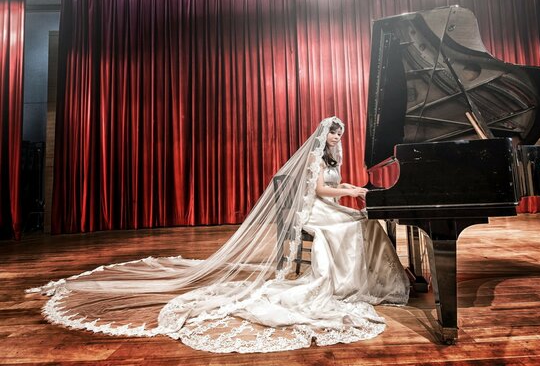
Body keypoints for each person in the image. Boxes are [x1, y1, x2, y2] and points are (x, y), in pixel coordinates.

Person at [27, 117, 409, 353]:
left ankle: (370, 280)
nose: (338, 139)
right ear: (323, 135)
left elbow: (337, 182)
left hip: (330, 204)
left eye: (340, 135)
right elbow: (320, 192)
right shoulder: (312, 157)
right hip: (314, 209)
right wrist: (351, 193)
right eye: (334, 134)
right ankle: (339, 284)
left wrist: (351, 189)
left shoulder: (333, 157)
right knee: (345, 228)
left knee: (362, 224)